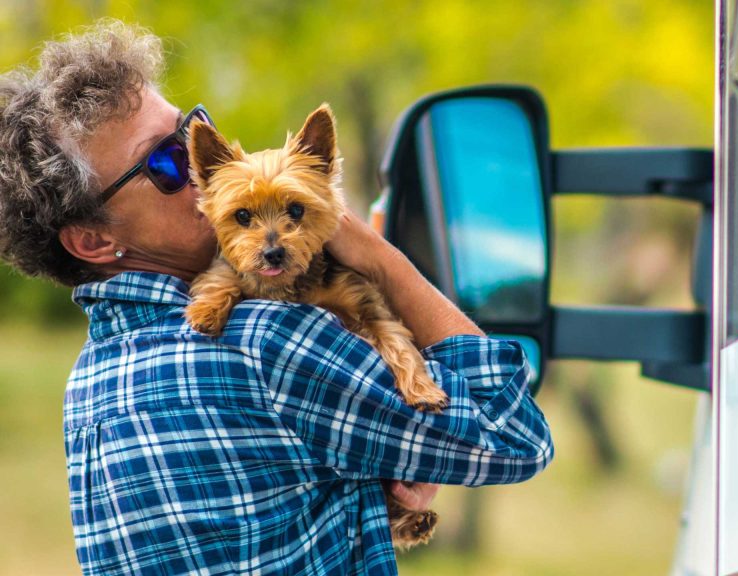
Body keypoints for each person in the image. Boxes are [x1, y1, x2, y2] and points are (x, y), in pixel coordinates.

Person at [0, 20, 553, 576]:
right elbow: (514, 437)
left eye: (194, 129)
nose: (200, 170)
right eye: (166, 164)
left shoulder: (89, 386)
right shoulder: (266, 340)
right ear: (95, 240)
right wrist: (374, 253)